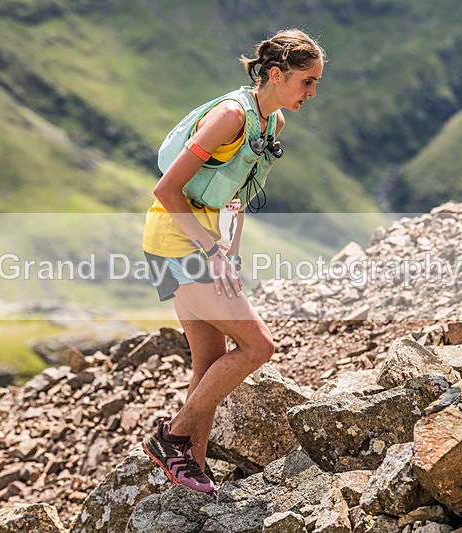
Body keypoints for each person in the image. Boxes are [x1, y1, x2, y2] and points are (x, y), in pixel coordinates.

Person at [140, 29, 325, 498]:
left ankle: (192, 476)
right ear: (277, 75)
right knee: (260, 347)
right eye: (307, 81)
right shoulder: (230, 117)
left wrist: (231, 253)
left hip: (204, 245)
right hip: (175, 242)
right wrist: (209, 247)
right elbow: (166, 190)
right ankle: (172, 437)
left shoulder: (272, 123)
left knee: (209, 363)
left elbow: (237, 196)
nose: (312, 93)